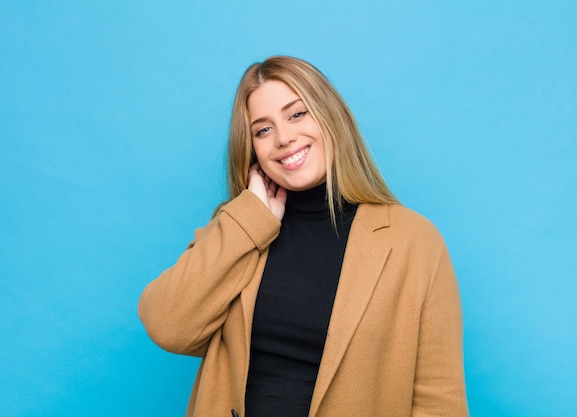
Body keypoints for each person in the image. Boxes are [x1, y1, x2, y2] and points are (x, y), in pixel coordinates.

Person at [138, 56, 468, 417]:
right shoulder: (240, 227)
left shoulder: (413, 241)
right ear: (252, 151)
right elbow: (167, 326)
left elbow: (440, 401)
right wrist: (249, 219)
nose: (283, 138)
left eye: (297, 114)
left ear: (330, 117)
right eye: (263, 130)